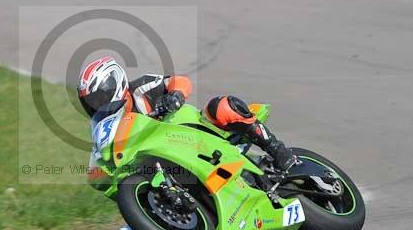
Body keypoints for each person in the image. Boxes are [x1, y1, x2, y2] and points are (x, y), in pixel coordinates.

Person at [77, 56, 298, 172]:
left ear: (113, 85)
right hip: (172, 156)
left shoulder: (141, 88)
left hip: (199, 131)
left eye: (98, 97)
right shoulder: (111, 127)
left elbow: (180, 80)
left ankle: (277, 150)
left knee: (220, 106)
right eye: (90, 102)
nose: (96, 105)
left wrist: (174, 96)